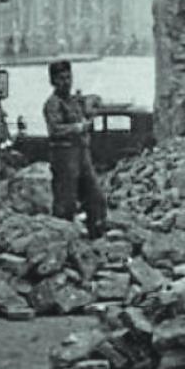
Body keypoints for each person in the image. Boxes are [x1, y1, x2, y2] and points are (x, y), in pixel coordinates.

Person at [42, 60, 108, 240]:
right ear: (53, 81)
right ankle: (61, 239)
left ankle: (97, 235)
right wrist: (77, 128)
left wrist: (93, 104)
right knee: (66, 201)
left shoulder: (73, 101)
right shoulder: (52, 104)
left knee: (95, 196)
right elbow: (55, 129)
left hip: (81, 154)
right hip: (63, 155)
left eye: (68, 77)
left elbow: (93, 103)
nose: (66, 82)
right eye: (61, 78)